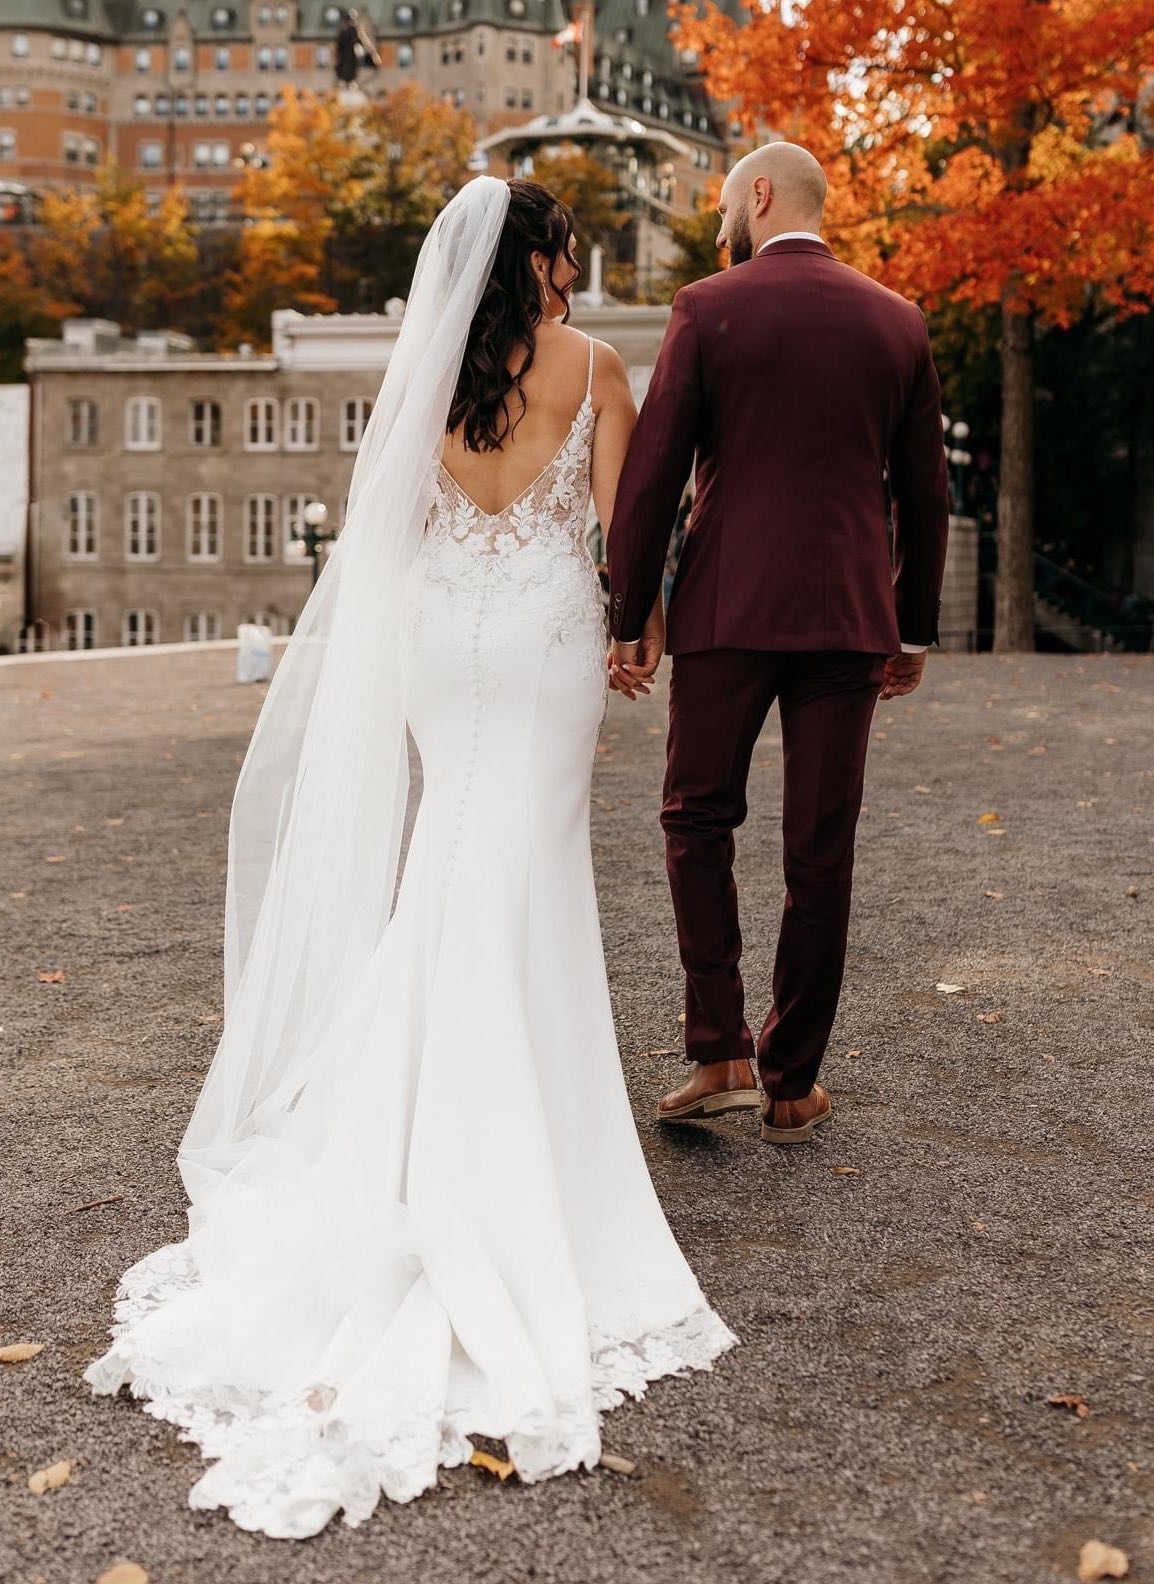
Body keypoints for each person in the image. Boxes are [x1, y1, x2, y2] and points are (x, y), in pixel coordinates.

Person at [85, 178, 732, 1540]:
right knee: (522, 874)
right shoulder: (595, 363)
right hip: (548, 637)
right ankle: (512, 1149)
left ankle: (414, 1115)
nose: (569, 267)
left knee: (454, 850)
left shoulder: (428, 372)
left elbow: (393, 536)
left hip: (445, 638)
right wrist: (639, 636)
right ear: (543, 261)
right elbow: (624, 540)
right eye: (563, 249)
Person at [606, 141, 950, 1145]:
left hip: (725, 606)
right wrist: (910, 622)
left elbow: (654, 476)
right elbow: (923, 491)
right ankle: (792, 1081)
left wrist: (629, 615)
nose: (723, 226)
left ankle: (718, 1048)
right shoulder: (898, 319)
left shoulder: (706, 307)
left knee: (696, 815)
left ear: (757, 196)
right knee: (819, 847)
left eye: (725, 207)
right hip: (847, 615)